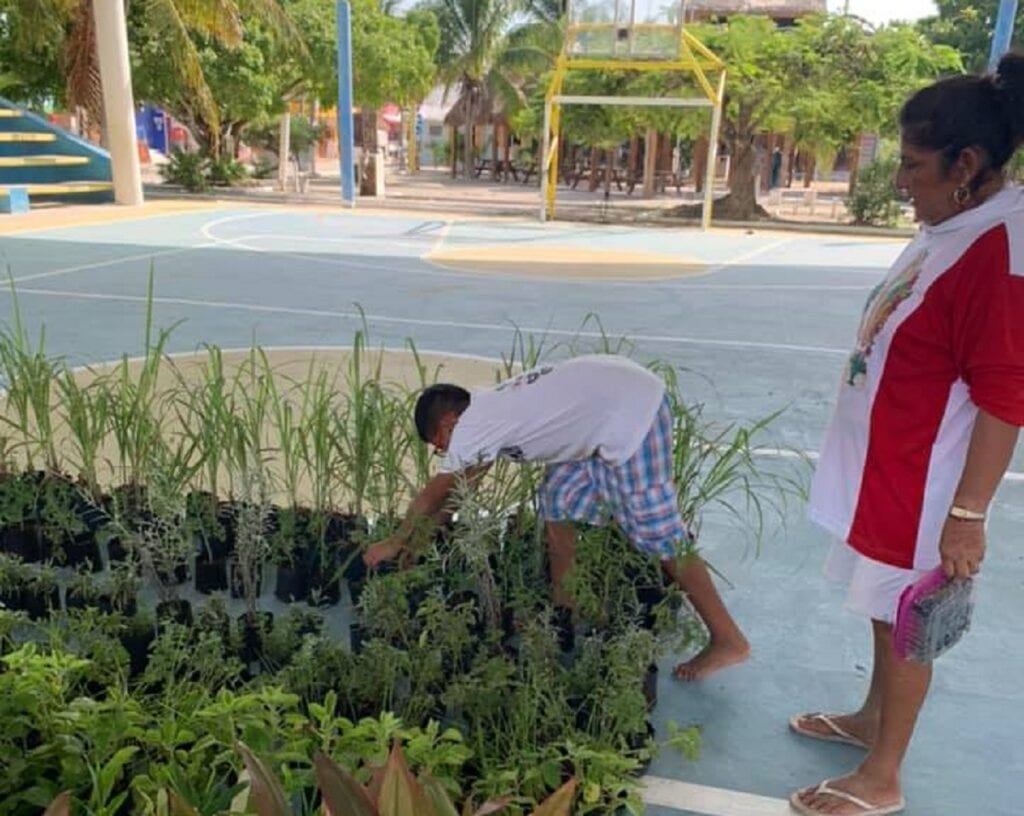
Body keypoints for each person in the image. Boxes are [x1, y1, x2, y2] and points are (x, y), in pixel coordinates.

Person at [790, 52, 1024, 816]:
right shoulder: (959, 219)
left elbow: (1004, 393)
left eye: (913, 166)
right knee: (884, 605)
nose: (899, 182)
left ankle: (883, 776)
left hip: (927, 482)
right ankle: (871, 719)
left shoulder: (999, 248)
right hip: (888, 466)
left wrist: (966, 518)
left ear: (969, 163)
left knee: (909, 619)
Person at [363, 354, 750, 681]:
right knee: (557, 500)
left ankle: (728, 639)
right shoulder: (485, 414)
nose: (443, 451)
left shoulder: (474, 424)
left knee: (662, 537)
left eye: (438, 446)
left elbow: (436, 491)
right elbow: (462, 490)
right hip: (607, 411)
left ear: (448, 424)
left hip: (633, 415)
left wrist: (396, 541)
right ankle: (566, 612)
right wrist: (422, 540)